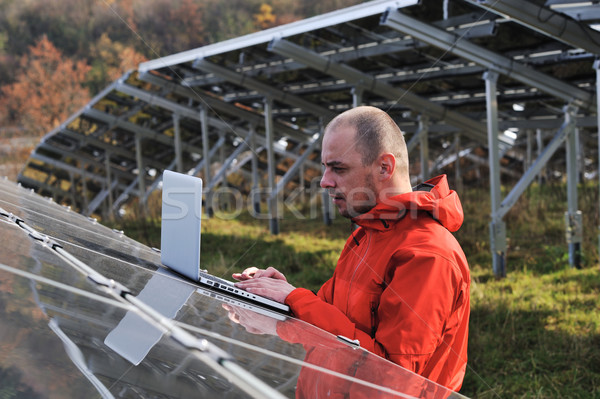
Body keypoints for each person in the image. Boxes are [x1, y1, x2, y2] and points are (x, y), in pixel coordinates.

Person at [232, 106, 470, 392]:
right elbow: (333, 321)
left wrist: (297, 300)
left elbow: (393, 379)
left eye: (339, 168)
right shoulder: (366, 235)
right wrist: (279, 301)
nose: (324, 181)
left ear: (385, 167)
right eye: (325, 167)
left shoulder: (428, 256)